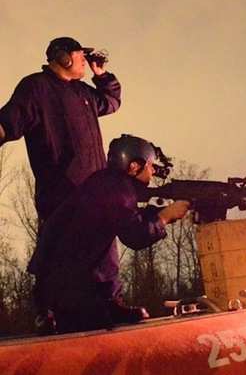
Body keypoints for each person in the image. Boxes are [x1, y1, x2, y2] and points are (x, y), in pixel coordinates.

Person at [29, 134, 190, 334]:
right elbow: (134, 235)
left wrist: (155, 214)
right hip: (67, 287)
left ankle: (109, 303)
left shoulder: (107, 183)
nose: (153, 171)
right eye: (150, 165)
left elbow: (123, 220)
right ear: (133, 167)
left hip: (63, 280)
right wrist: (164, 217)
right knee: (92, 334)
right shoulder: (118, 189)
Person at [0, 36, 121, 223]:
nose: (85, 60)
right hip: (63, 202)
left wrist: (102, 75)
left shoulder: (83, 92)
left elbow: (111, 102)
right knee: (63, 252)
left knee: (101, 252)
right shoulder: (37, 87)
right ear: (65, 58)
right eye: (80, 55)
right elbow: (8, 123)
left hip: (98, 200)